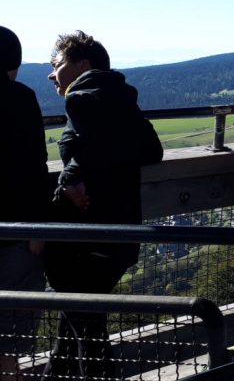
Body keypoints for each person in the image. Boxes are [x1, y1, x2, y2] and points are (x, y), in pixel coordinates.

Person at [42, 31, 163, 380]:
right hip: (119, 236)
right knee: (76, 329)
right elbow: (149, 150)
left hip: (83, 240)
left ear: (83, 65)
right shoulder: (122, 97)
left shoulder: (80, 98)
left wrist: (68, 179)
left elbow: (97, 148)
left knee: (89, 337)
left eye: (58, 65)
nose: (52, 74)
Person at [0, 26, 49, 380]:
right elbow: (35, 165)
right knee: (11, 334)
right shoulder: (21, 98)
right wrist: (38, 227)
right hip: (17, 230)